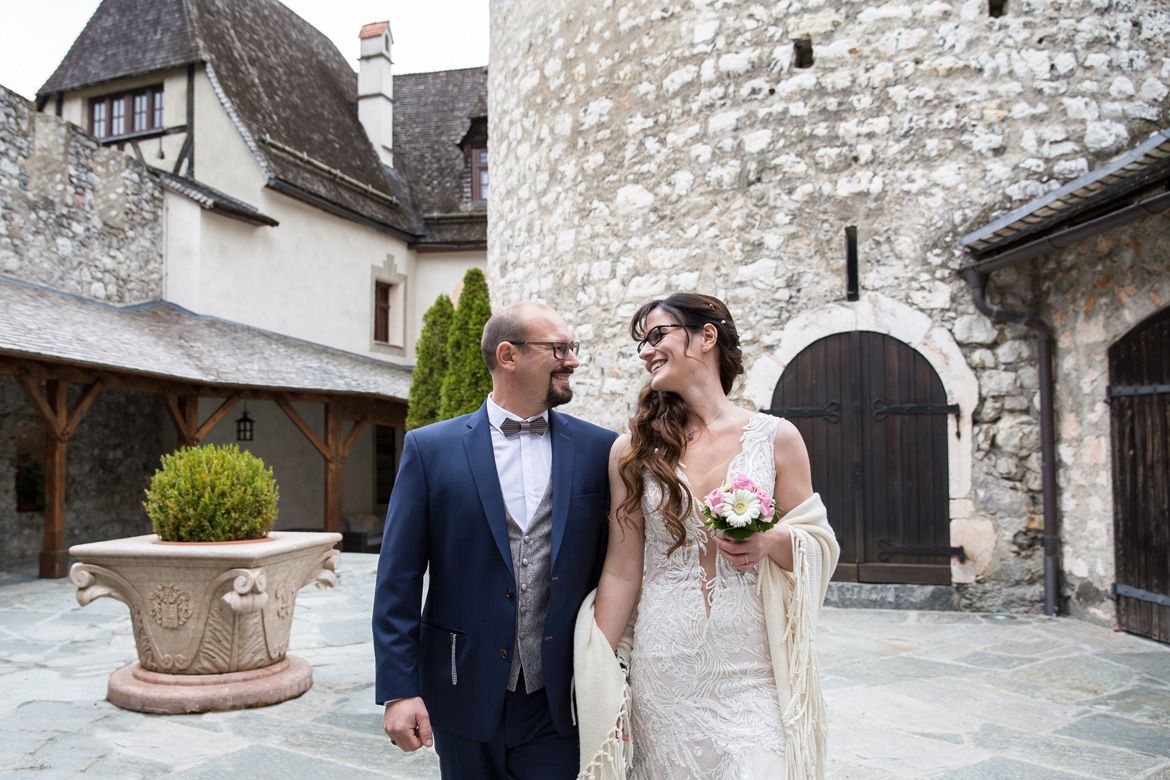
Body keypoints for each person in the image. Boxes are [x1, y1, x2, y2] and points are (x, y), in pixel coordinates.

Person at [581, 293, 840, 779]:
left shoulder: (775, 437)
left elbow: (818, 541)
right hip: (664, 669)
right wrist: (597, 672)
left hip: (752, 669)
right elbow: (621, 569)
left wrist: (767, 540)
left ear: (706, 336)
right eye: (640, 343)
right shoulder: (631, 452)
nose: (645, 352)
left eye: (657, 335)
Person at [373, 301, 617, 779]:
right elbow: (398, 578)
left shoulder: (598, 448)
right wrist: (400, 690)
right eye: (558, 348)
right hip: (461, 684)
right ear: (508, 355)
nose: (572, 360)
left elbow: (619, 566)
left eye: (572, 347)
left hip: (561, 694)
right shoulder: (431, 449)